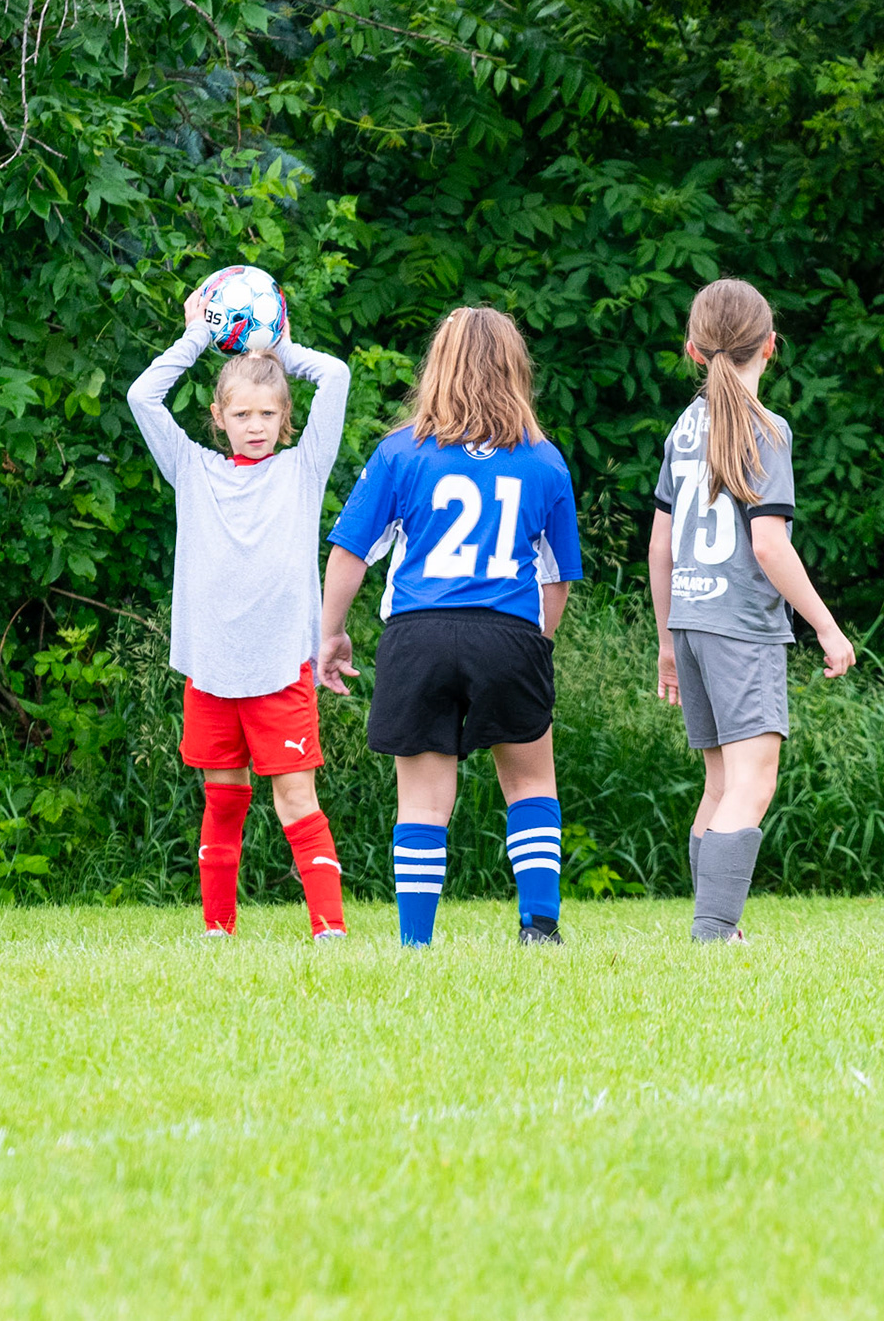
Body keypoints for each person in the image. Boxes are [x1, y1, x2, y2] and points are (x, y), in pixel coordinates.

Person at [318, 307, 582, 947]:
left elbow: (351, 553)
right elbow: (558, 576)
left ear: (437, 368)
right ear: (517, 372)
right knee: (530, 782)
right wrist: (532, 646)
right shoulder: (545, 462)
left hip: (419, 633)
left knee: (424, 802)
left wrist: (330, 633)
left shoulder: (399, 452)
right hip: (508, 634)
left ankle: (417, 945)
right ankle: (539, 930)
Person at [125, 285, 352, 939]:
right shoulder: (192, 471)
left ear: (287, 420)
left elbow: (334, 374)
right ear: (218, 418)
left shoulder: (304, 470)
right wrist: (199, 334)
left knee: (295, 800)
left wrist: (275, 344)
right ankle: (217, 930)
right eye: (241, 413)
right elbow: (144, 396)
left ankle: (329, 931)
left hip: (281, 667)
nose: (255, 425)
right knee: (223, 801)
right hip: (212, 670)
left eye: (267, 414)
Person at [649, 279, 854, 942]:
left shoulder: (683, 428)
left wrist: (666, 639)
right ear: (771, 345)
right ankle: (713, 934)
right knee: (752, 783)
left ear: (693, 351)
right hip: (742, 627)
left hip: (691, 619)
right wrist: (825, 625)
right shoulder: (768, 428)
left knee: (720, 782)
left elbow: (660, 543)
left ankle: (716, 929)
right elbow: (768, 545)